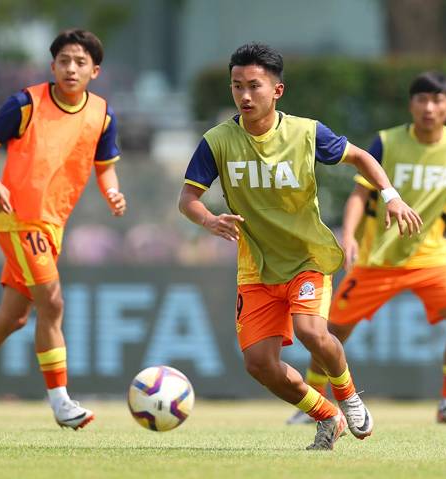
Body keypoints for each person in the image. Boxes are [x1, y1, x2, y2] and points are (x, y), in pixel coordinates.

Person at [178, 43, 422, 450]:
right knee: (259, 365)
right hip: (256, 265)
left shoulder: (307, 133)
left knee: (311, 330)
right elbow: (187, 199)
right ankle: (327, 415)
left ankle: (348, 395)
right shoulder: (217, 141)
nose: (244, 95)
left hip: (307, 257)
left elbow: (362, 158)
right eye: (236, 86)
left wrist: (391, 195)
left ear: (277, 91)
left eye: (254, 86)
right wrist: (209, 219)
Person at [0, 29, 126, 430]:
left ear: (94, 71)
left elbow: (106, 167)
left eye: (80, 62)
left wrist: (113, 193)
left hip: (53, 225)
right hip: (19, 219)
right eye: (64, 60)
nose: (70, 68)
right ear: (52, 66)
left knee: (12, 318)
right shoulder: (26, 103)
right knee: (53, 303)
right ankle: (61, 403)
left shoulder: (102, 114)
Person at [288, 71, 446, 426]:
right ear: (411, 105)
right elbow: (360, 193)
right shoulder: (387, 142)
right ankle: (315, 404)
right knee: (330, 331)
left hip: (431, 255)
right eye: (421, 99)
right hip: (377, 258)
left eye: (437, 100)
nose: (429, 107)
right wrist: (348, 236)